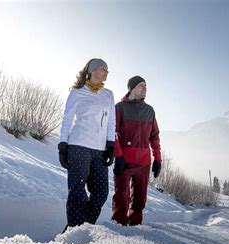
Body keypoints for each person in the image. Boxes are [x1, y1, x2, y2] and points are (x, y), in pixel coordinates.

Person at [58, 58, 115, 232]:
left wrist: (111, 144)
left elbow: (111, 121)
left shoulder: (108, 94)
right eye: (103, 68)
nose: (106, 72)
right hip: (78, 145)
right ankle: (75, 229)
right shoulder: (77, 93)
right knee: (77, 189)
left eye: (107, 69)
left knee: (101, 192)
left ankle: (81, 228)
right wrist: (62, 144)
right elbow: (67, 119)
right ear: (92, 71)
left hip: (99, 149)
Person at [112, 75, 161, 226]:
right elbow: (111, 133)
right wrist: (118, 156)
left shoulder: (149, 110)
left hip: (144, 162)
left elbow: (154, 136)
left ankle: (135, 226)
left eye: (146, 85)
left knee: (140, 199)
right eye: (141, 85)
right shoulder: (119, 107)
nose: (145, 88)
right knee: (121, 197)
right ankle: (119, 227)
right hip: (124, 161)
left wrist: (158, 159)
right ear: (132, 88)